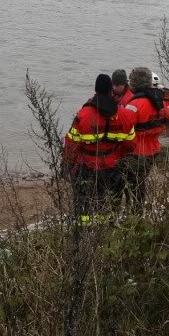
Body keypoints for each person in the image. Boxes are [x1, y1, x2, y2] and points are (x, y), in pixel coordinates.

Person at [63, 74, 136, 226]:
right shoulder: (126, 116)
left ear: (95, 90)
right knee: (106, 199)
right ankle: (106, 227)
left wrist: (67, 164)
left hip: (87, 167)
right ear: (111, 90)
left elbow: (71, 144)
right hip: (112, 167)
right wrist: (116, 156)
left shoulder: (83, 114)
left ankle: (84, 230)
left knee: (83, 201)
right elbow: (130, 145)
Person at [120, 67, 168, 212]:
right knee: (140, 181)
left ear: (133, 83)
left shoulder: (134, 105)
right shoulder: (161, 102)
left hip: (136, 152)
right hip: (154, 149)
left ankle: (135, 211)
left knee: (130, 182)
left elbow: (123, 129)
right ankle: (138, 209)